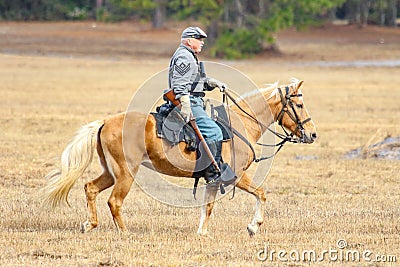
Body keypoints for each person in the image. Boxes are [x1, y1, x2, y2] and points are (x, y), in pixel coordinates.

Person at [168, 26, 229, 185]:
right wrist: (185, 104)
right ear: (189, 41)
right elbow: (180, 84)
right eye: (199, 39)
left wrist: (211, 83)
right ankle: (212, 174)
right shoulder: (184, 57)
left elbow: (195, 81)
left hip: (195, 100)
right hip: (189, 102)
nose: (202, 43)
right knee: (215, 132)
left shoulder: (190, 56)